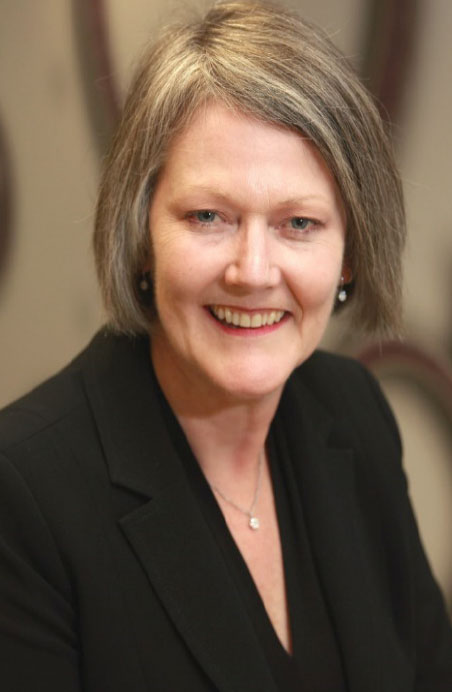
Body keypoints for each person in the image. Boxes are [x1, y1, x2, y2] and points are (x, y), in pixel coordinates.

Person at [1, 1, 452, 690]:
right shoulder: (25, 492)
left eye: (298, 223)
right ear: (140, 233)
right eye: (208, 216)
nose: (252, 271)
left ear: (350, 256)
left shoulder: (354, 412)